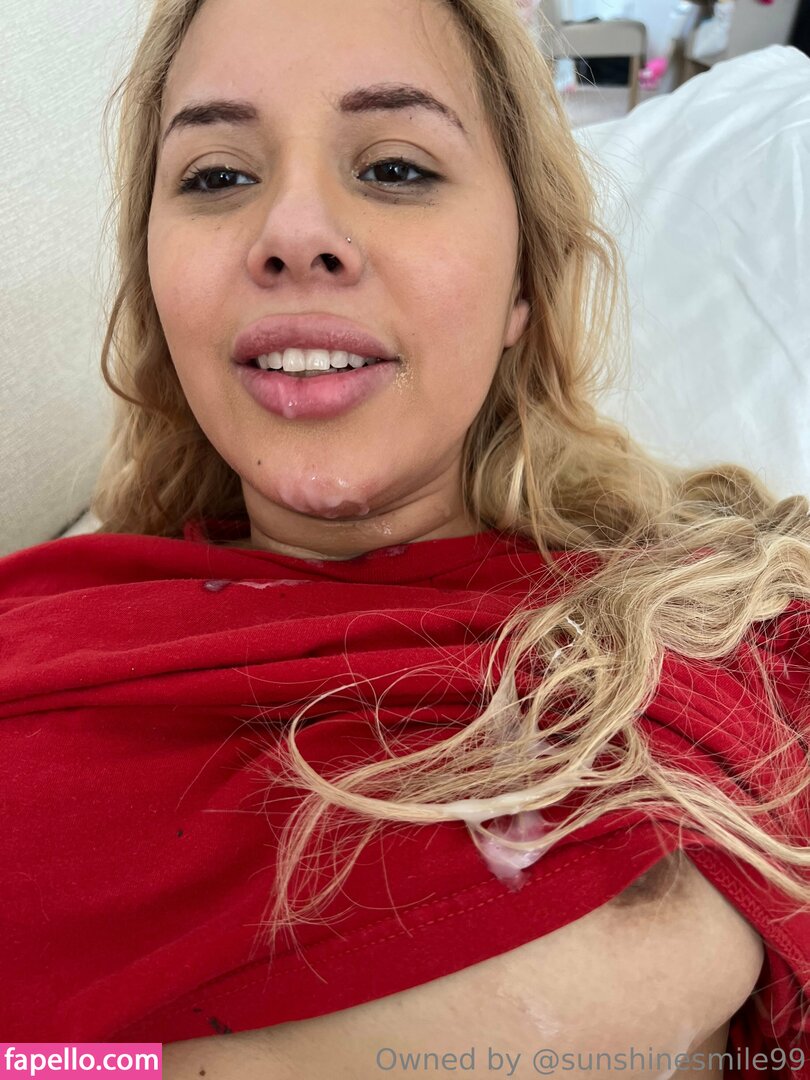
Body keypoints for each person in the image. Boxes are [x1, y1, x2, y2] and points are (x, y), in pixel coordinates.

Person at [0, 0, 807, 1076]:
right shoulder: (50, 613)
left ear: (524, 284)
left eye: (394, 168)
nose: (293, 234)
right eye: (217, 176)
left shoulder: (698, 661)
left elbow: (613, 983)